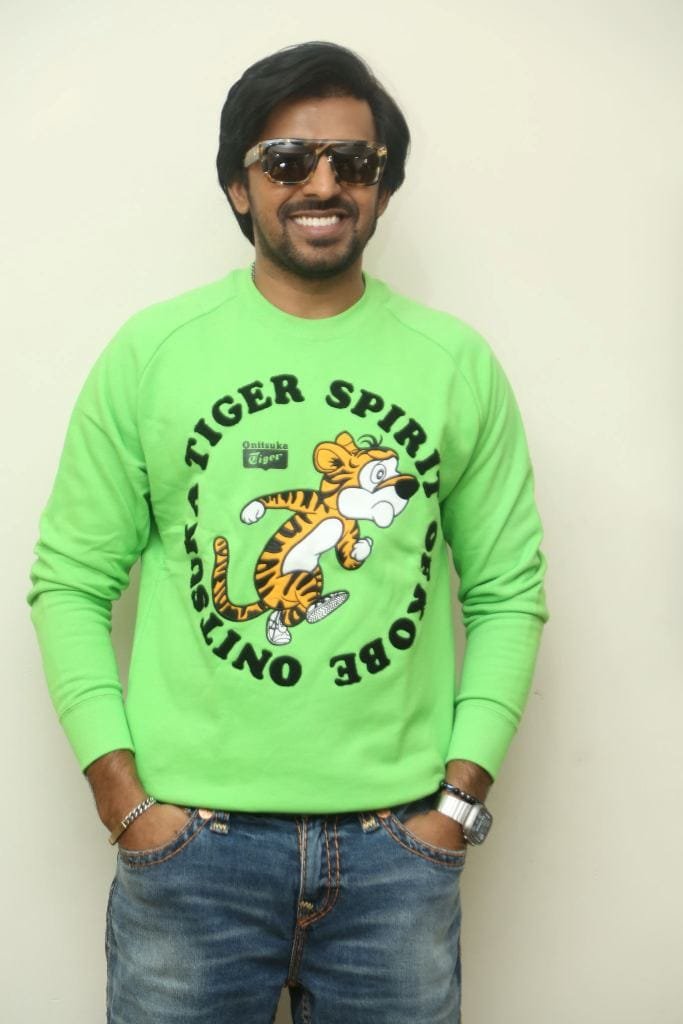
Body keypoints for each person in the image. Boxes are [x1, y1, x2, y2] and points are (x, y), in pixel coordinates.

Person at [28, 40, 548, 1024]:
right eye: (287, 160)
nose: (322, 183)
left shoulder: (453, 363)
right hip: (192, 853)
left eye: (353, 161)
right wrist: (124, 801)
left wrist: (454, 805)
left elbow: (506, 593)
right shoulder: (152, 353)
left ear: (382, 187)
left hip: (399, 853)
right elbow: (69, 582)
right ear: (239, 185)